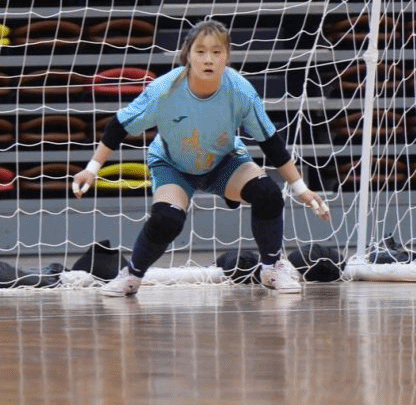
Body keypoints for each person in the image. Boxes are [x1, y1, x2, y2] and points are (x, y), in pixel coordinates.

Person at [71, 18, 331, 296]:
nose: (209, 59)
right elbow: (119, 125)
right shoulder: (164, 90)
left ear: (227, 57)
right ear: (188, 55)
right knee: (166, 220)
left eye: (217, 52)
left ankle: (271, 268)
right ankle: (132, 275)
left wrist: (301, 189)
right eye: (201, 51)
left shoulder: (241, 91)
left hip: (224, 163)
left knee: (268, 194)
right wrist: (92, 168)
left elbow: (271, 143)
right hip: (173, 165)